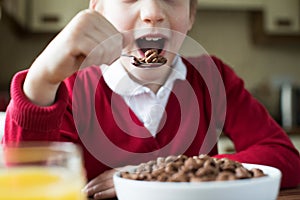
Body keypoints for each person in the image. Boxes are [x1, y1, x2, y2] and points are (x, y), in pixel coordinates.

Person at [3, 0, 300, 199]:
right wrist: (41, 80)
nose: (153, 12)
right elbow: (24, 182)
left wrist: (156, 175)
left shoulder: (214, 78)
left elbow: (286, 158)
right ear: (98, 9)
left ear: (191, 14)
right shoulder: (69, 89)